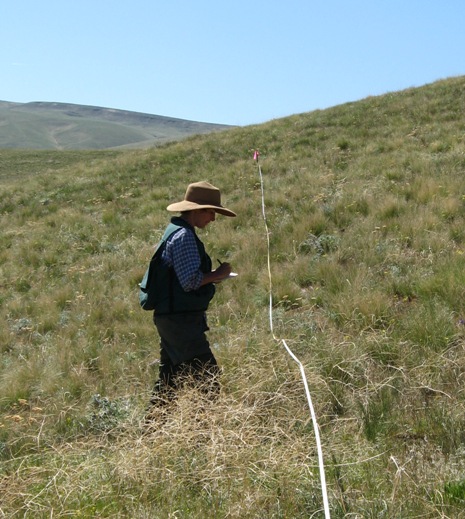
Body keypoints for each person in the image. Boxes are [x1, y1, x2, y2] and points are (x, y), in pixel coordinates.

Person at [146, 181, 236, 413]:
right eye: (211, 212)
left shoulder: (175, 231)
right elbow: (190, 282)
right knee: (208, 377)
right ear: (197, 210)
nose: (213, 219)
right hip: (180, 322)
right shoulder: (184, 236)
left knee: (170, 380)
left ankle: (151, 431)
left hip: (172, 318)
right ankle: (202, 433)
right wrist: (218, 274)